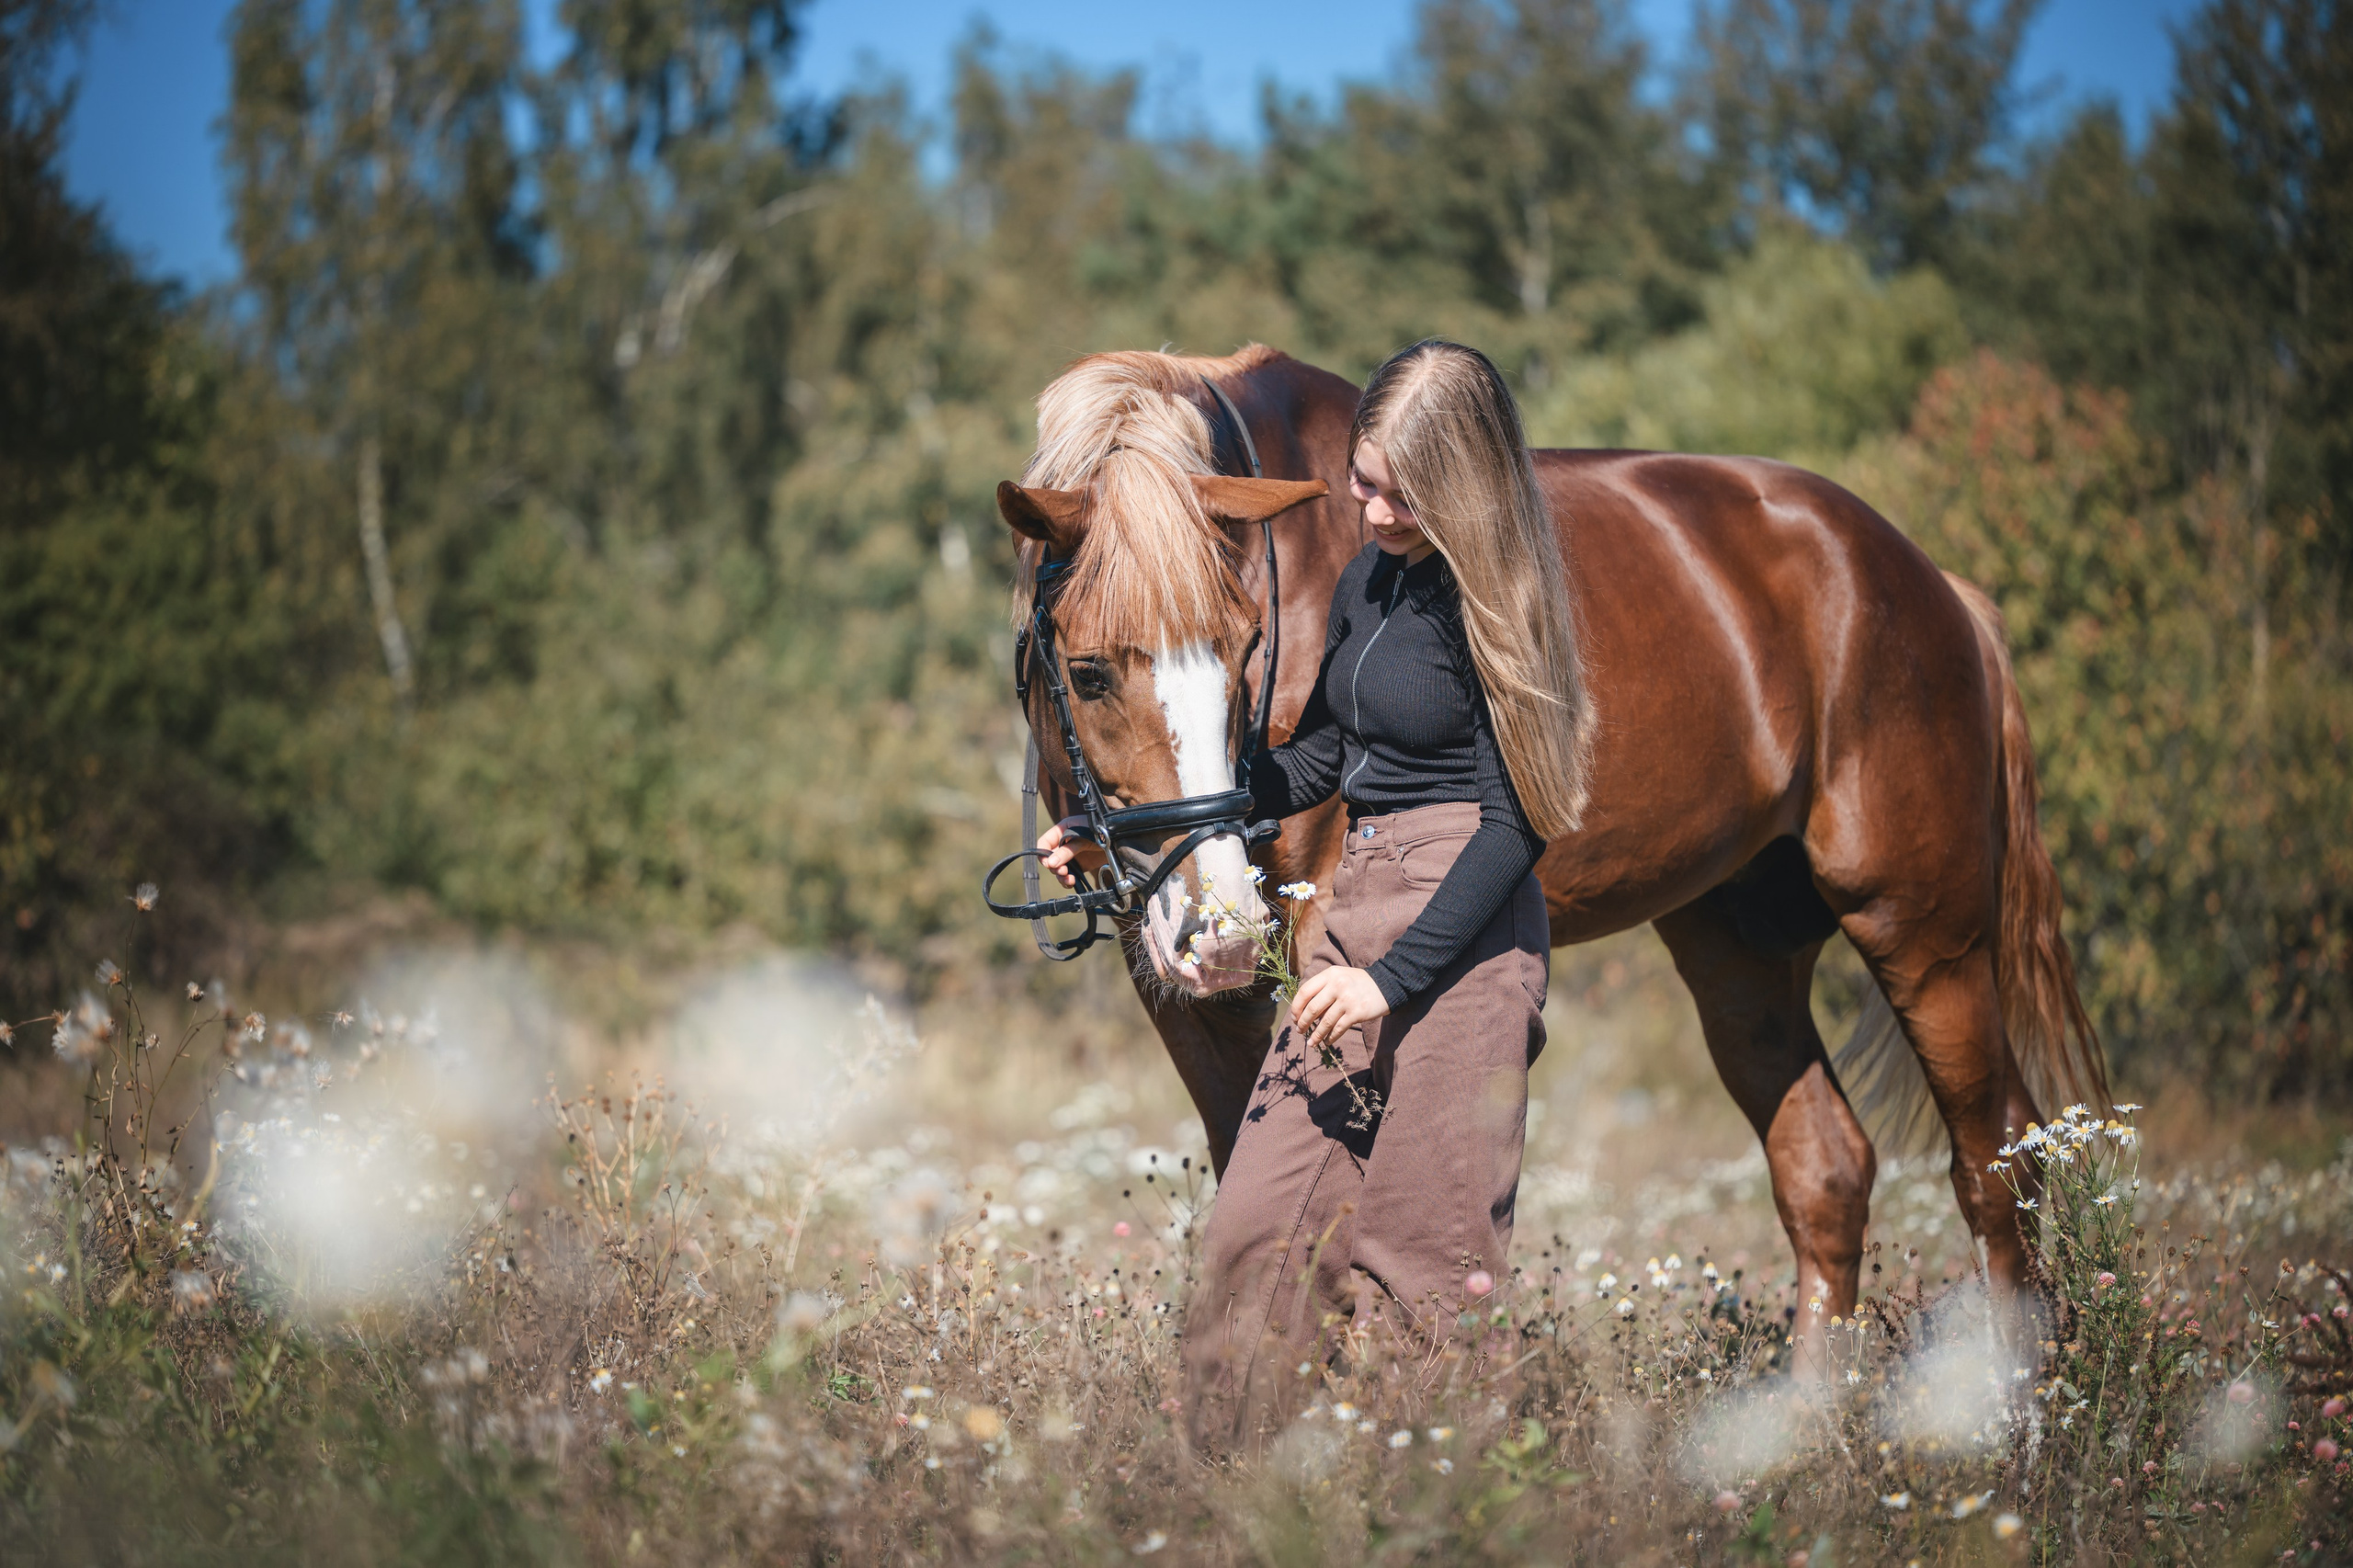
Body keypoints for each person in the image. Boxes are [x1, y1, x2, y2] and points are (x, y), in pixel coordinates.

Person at [1041, 338, 1595, 1450]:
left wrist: (1391, 981)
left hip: (1463, 932)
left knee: (1421, 1273)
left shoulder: (1502, 599)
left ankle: (1441, 1517)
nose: (1365, 502)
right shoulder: (1369, 577)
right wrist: (1151, 823)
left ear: (1463, 484)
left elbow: (1520, 821)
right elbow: (1328, 755)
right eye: (1363, 474)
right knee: (1254, 1231)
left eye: (1394, 487)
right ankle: (1230, 1510)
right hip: (1363, 909)